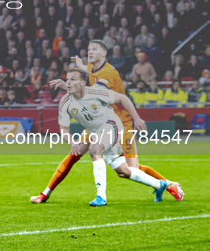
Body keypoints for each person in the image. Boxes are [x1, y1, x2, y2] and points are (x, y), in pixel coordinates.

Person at [33, 39, 182, 204]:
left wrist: (66, 86)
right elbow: (85, 72)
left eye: (94, 49)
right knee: (74, 155)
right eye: (89, 48)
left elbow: (95, 92)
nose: (89, 51)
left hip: (119, 122)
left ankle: (168, 185)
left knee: (129, 169)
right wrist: (80, 66)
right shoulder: (92, 68)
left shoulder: (108, 74)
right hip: (96, 120)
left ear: (104, 54)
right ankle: (46, 193)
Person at [58, 68, 169, 205]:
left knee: (95, 149)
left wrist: (137, 119)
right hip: (96, 133)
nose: (68, 83)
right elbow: (63, 129)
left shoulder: (95, 92)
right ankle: (159, 185)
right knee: (124, 171)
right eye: (67, 79)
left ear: (82, 82)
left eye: (73, 79)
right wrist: (71, 142)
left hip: (112, 125)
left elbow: (122, 98)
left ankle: (101, 196)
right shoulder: (65, 103)